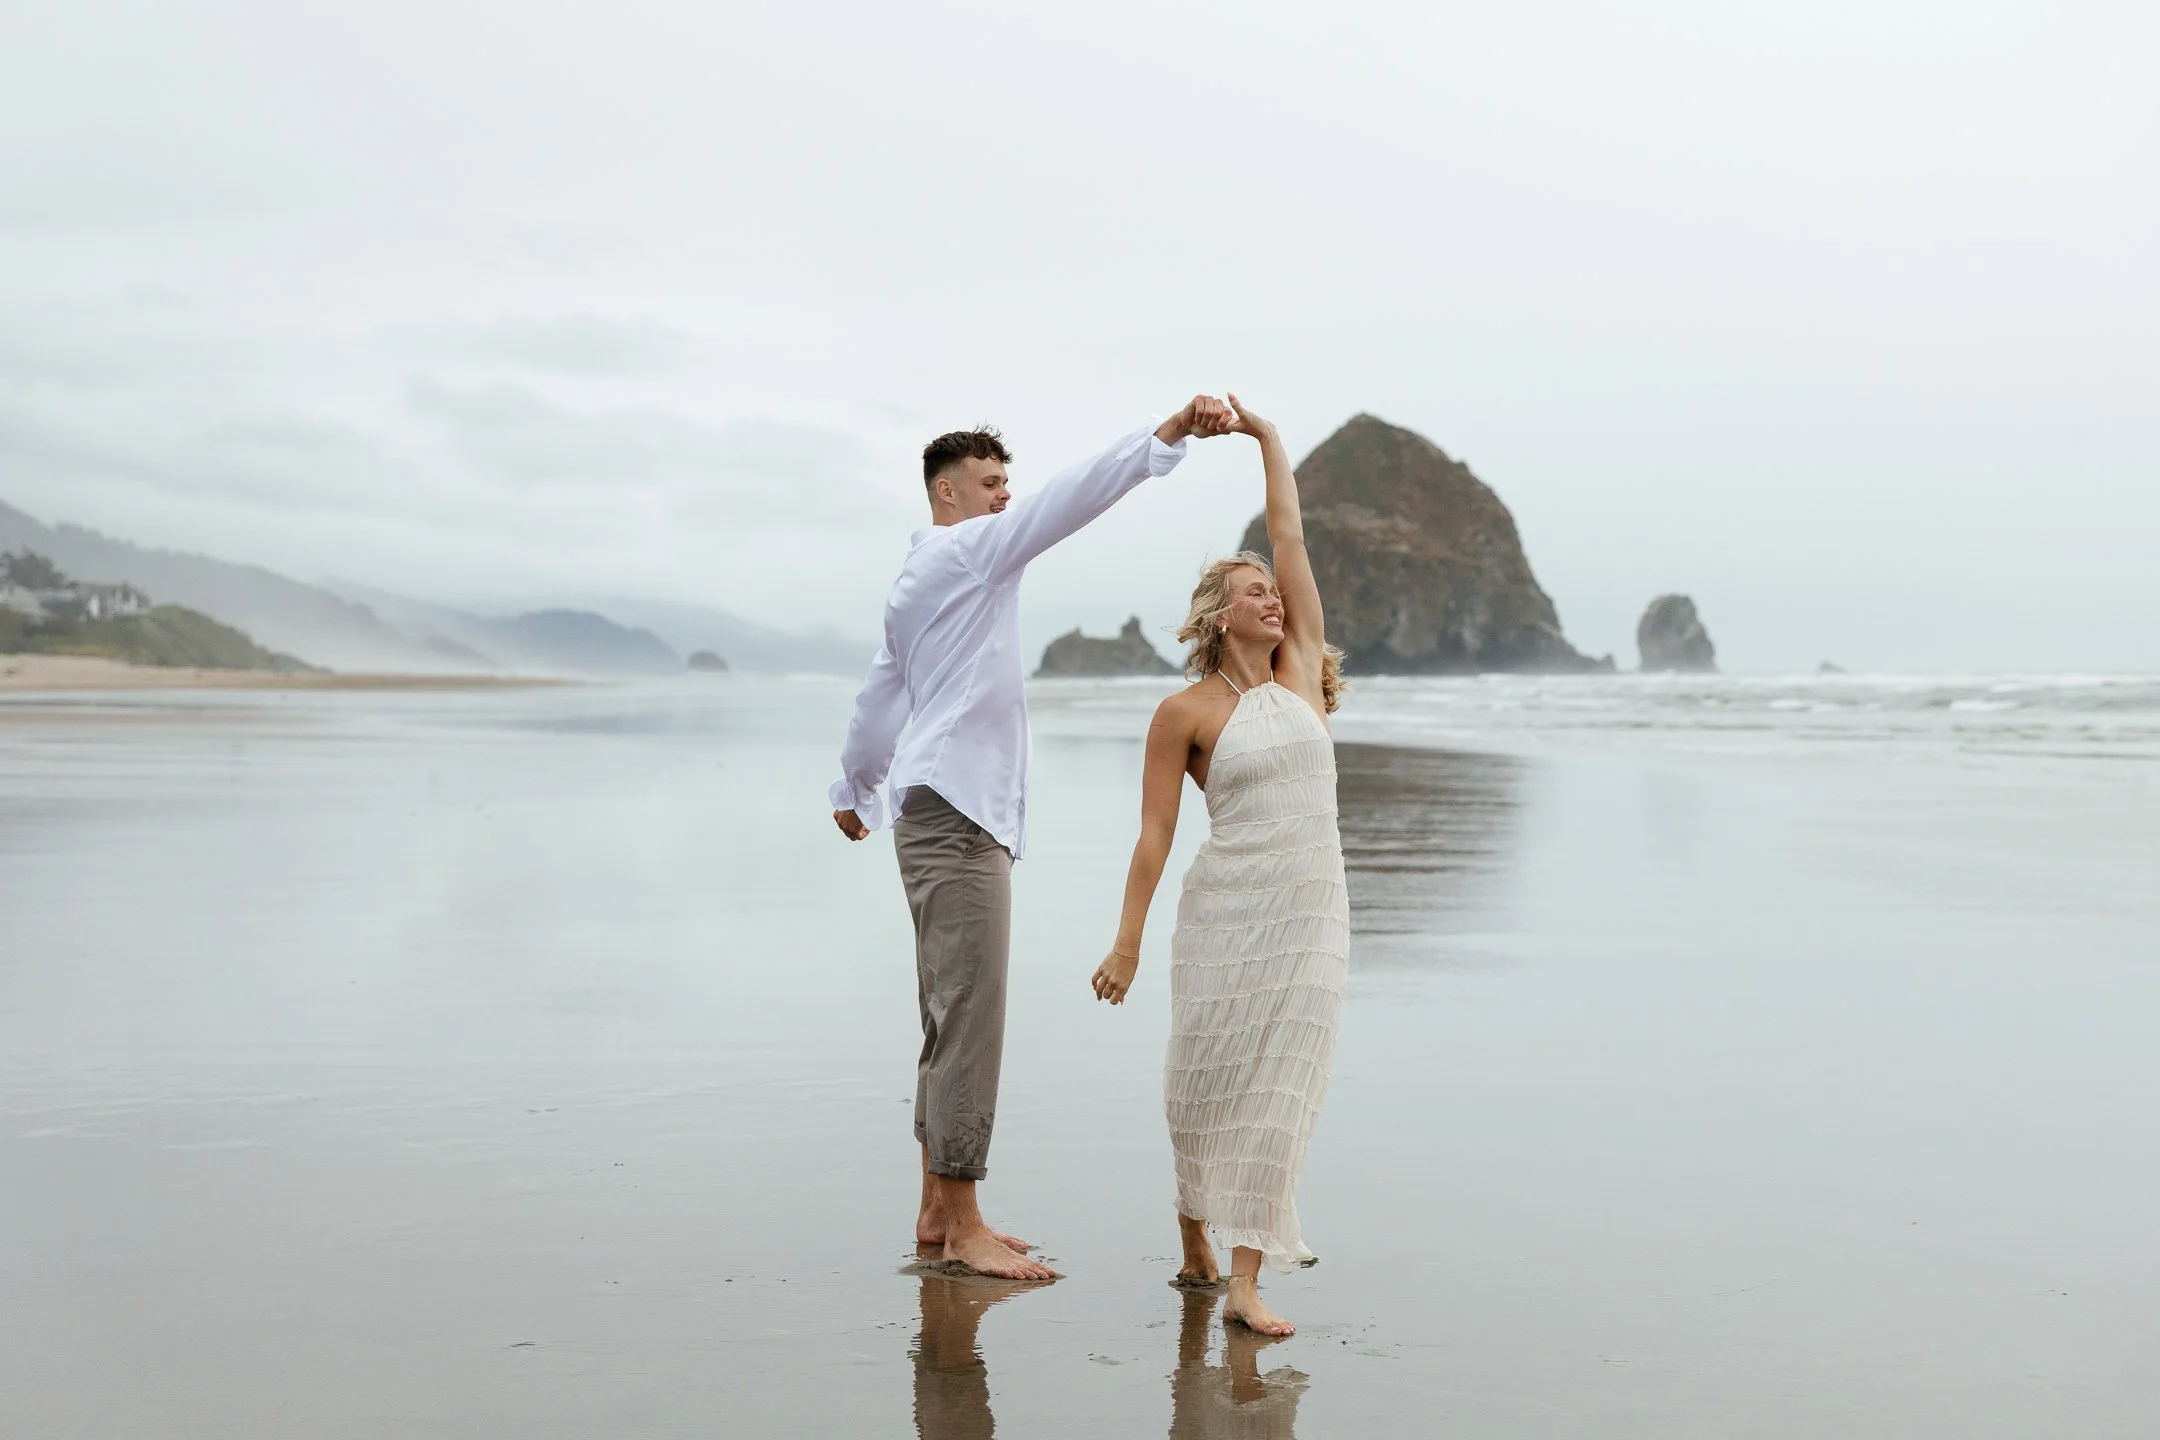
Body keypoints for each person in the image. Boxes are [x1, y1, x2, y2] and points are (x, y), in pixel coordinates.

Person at [831, 396, 1235, 1281]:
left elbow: (880, 692)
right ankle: (966, 1221)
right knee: (971, 1017)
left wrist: (854, 784)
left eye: (1007, 482)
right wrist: (1163, 439)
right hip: (960, 813)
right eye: (988, 484)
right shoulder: (972, 551)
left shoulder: (912, 582)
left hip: (927, 804)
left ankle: (938, 1213)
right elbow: (1074, 498)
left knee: (945, 1016)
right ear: (945, 495)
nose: (1006, 498)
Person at [1091, 394, 1349, 1335]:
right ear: (1218, 613)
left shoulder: (1301, 670)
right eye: (1252, 591)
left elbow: (1291, 536)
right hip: (1225, 911)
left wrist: (1267, 438)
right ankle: (1192, 1226)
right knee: (1202, 1079)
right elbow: (1154, 838)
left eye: (1272, 589)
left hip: (1311, 915)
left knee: (1281, 1085)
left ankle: (1244, 1280)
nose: (1272, 597)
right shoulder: (1184, 714)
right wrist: (1125, 944)